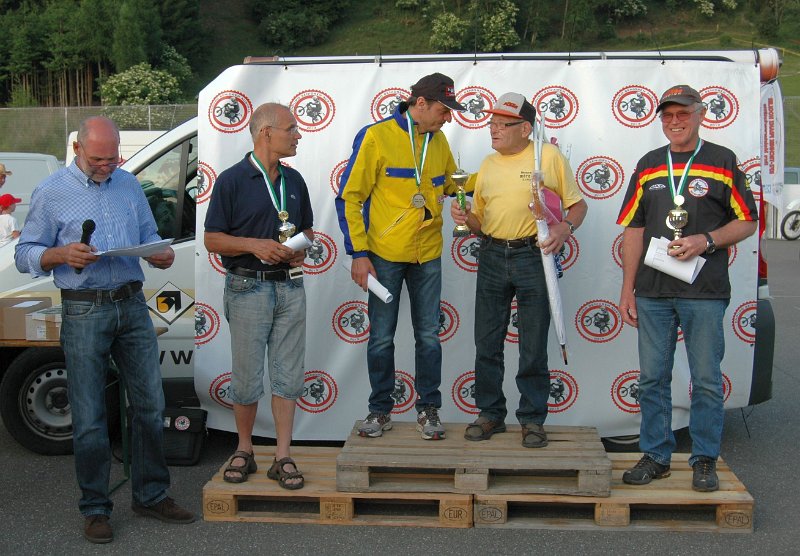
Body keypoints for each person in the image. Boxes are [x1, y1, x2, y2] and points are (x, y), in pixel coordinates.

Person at [14, 116, 195, 544]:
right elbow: (25, 253)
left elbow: (150, 235)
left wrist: (160, 254)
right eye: (98, 159)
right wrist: (61, 254)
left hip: (131, 303)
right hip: (84, 308)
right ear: (78, 149)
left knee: (150, 405)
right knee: (90, 416)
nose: (107, 166)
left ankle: (151, 495)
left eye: (113, 158)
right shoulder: (52, 190)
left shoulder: (128, 184)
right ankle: (95, 508)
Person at [616, 84, 758, 492]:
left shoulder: (722, 160)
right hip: (652, 291)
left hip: (705, 291)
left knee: (707, 379)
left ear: (700, 114)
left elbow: (747, 221)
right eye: (668, 116)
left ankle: (705, 459)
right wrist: (627, 288)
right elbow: (634, 229)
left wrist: (706, 240)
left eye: (682, 114)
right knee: (652, 378)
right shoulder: (648, 164)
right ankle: (656, 455)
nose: (675, 122)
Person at [450, 92, 587, 448]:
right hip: (492, 254)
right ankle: (490, 413)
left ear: (525, 128)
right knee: (487, 341)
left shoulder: (548, 156)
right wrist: (465, 217)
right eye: (491, 123)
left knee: (533, 342)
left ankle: (532, 418)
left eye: (502, 124)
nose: (493, 129)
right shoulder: (488, 164)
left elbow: (578, 205)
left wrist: (564, 228)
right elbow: (480, 222)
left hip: (533, 256)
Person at [335, 73, 467, 441]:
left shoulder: (438, 140)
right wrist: (358, 253)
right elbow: (350, 197)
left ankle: (429, 408)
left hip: (428, 254)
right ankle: (380, 409)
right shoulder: (376, 136)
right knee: (381, 337)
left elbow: (452, 182)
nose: (448, 118)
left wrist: (493, 180)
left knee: (429, 336)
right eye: (443, 110)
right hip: (384, 255)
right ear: (420, 103)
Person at [204, 103, 313, 489]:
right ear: (266, 133)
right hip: (247, 286)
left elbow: (307, 231)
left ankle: (283, 455)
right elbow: (212, 239)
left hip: (290, 285)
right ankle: (244, 448)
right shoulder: (231, 180)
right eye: (291, 128)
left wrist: (299, 249)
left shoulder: (294, 180)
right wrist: (254, 245)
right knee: (247, 375)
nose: (298, 135)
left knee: (288, 374)